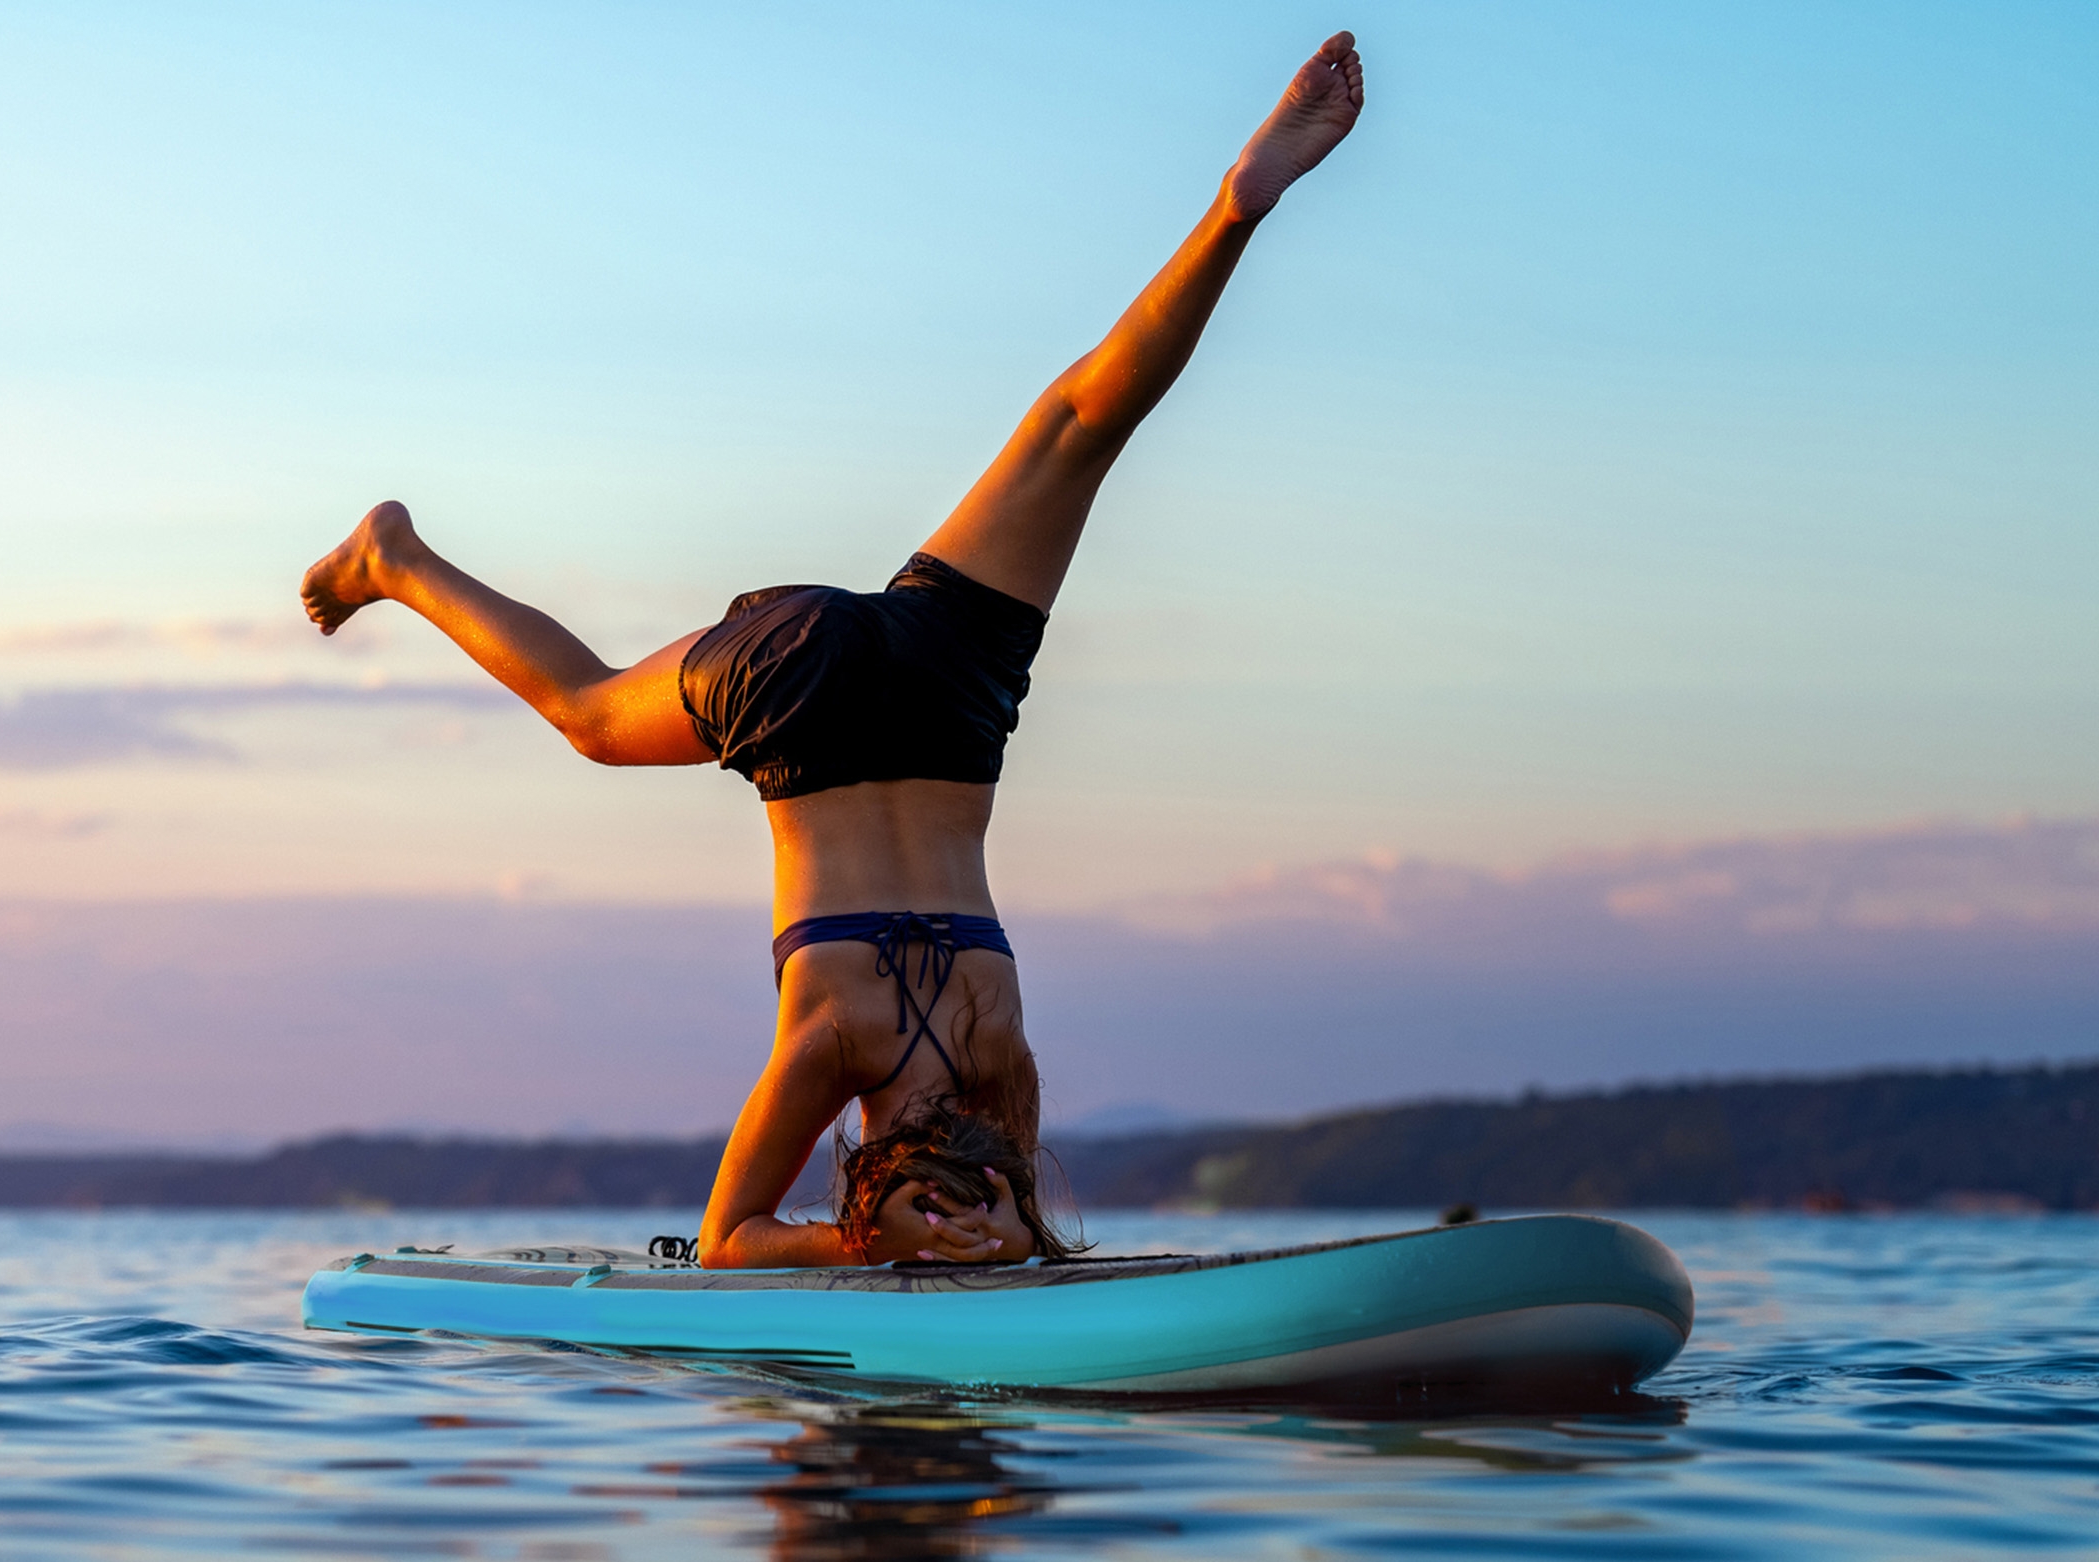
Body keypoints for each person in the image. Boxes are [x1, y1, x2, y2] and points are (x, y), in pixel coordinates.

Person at [301, 33, 1364, 1267]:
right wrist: (861, 1245)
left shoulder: (996, 1046)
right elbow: (738, 1236)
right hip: (823, 690)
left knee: (1078, 429)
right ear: (870, 1165)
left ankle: (1237, 208)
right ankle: (396, 557)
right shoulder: (865, 1053)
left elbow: (797, 1238)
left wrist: (908, 1245)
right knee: (593, 709)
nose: (964, 1227)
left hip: (906, 686)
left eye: (943, 1218)